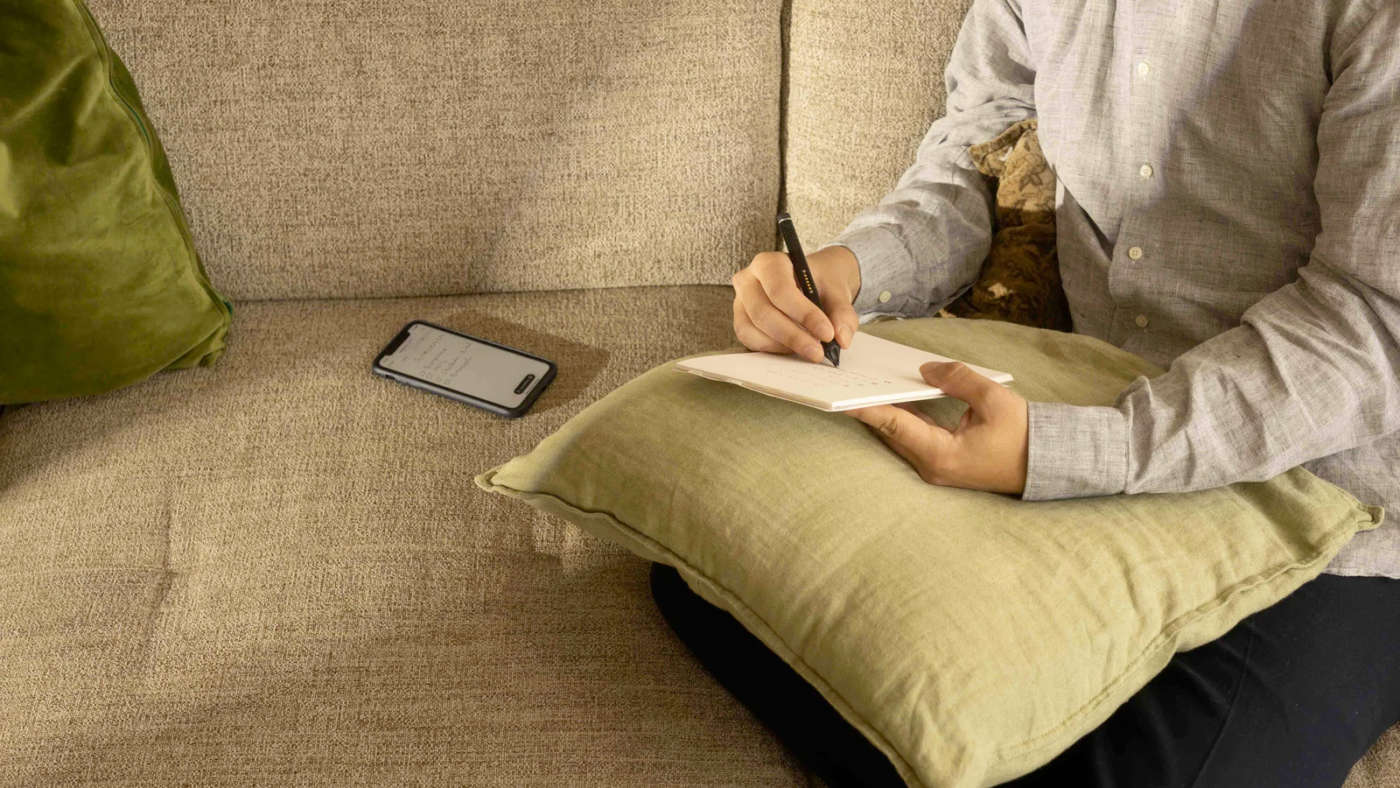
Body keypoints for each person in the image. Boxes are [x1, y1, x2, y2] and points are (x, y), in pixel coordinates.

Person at [652, 0, 1400, 784]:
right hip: (1065, 433)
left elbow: (1373, 322)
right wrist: (851, 270)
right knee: (709, 578)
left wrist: (1064, 452)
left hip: (1325, 502)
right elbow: (985, 164)